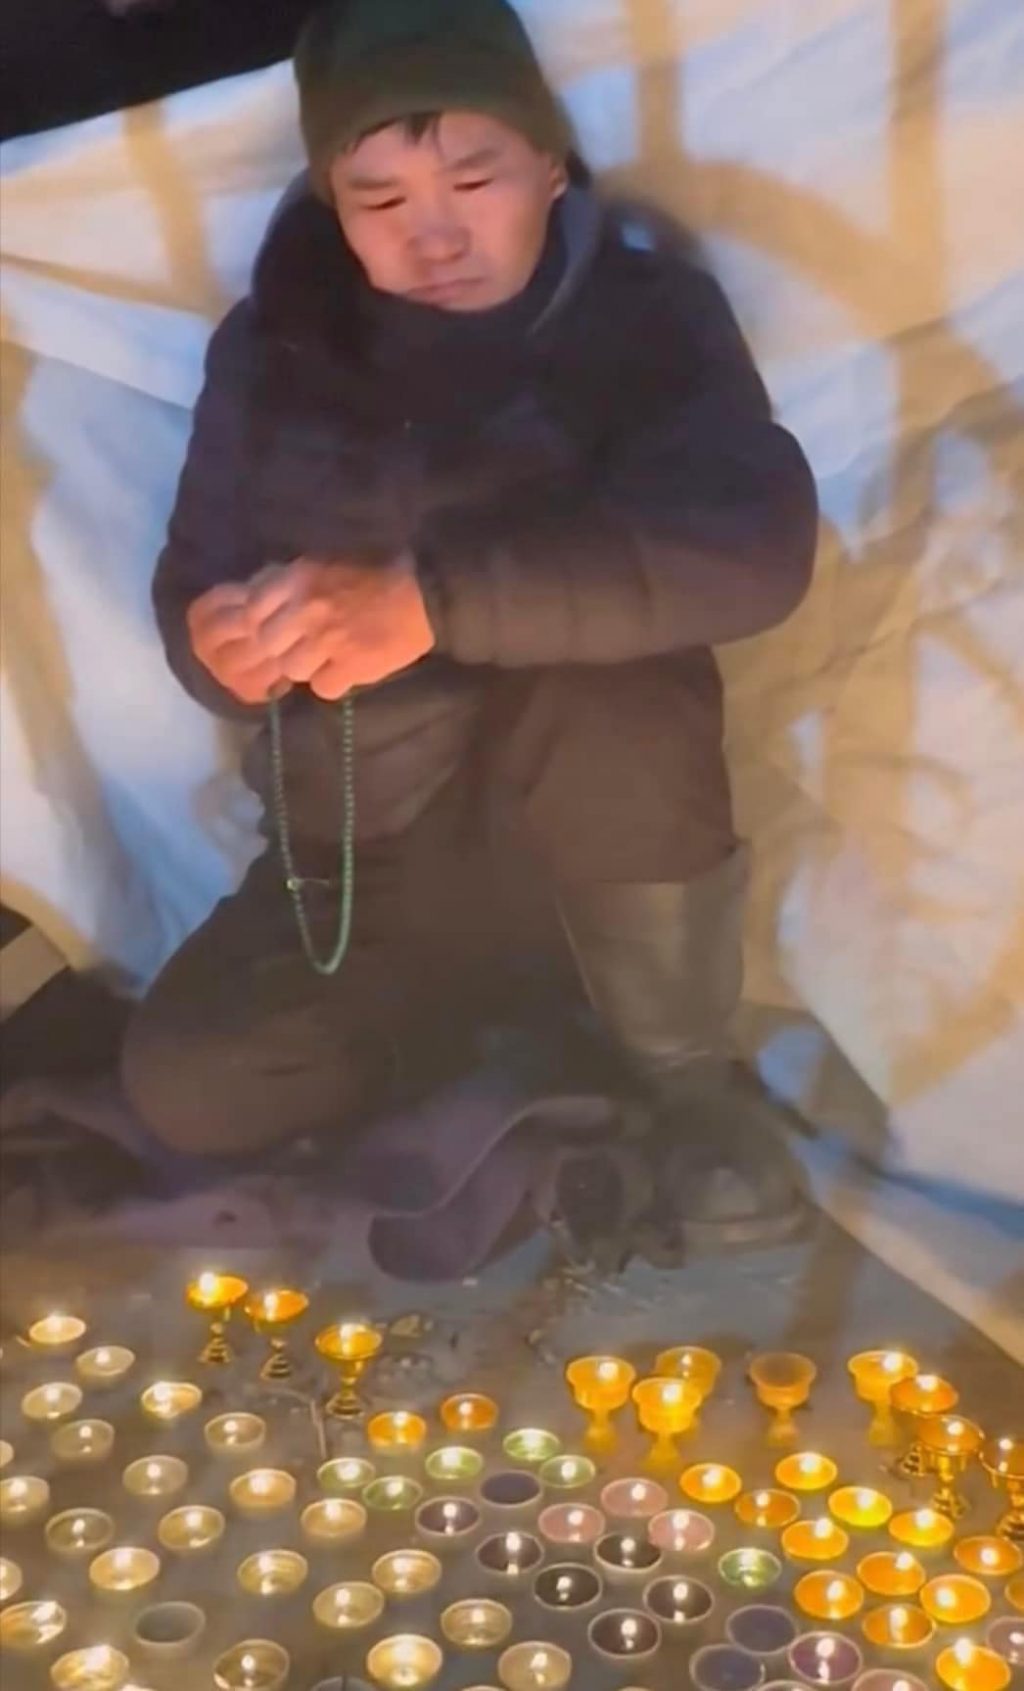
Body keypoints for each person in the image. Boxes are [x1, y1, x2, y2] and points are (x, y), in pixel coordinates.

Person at [122, 0, 819, 1260]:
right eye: (379, 198)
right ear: (333, 207)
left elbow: (752, 545)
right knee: (191, 1088)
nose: (432, 233)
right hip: (367, 857)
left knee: (614, 678)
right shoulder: (272, 350)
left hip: (601, 827)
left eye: (475, 177)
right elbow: (195, 585)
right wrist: (219, 651)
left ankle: (679, 1077)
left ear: (549, 165)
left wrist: (427, 602)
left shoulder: (644, 317)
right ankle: (502, 1065)